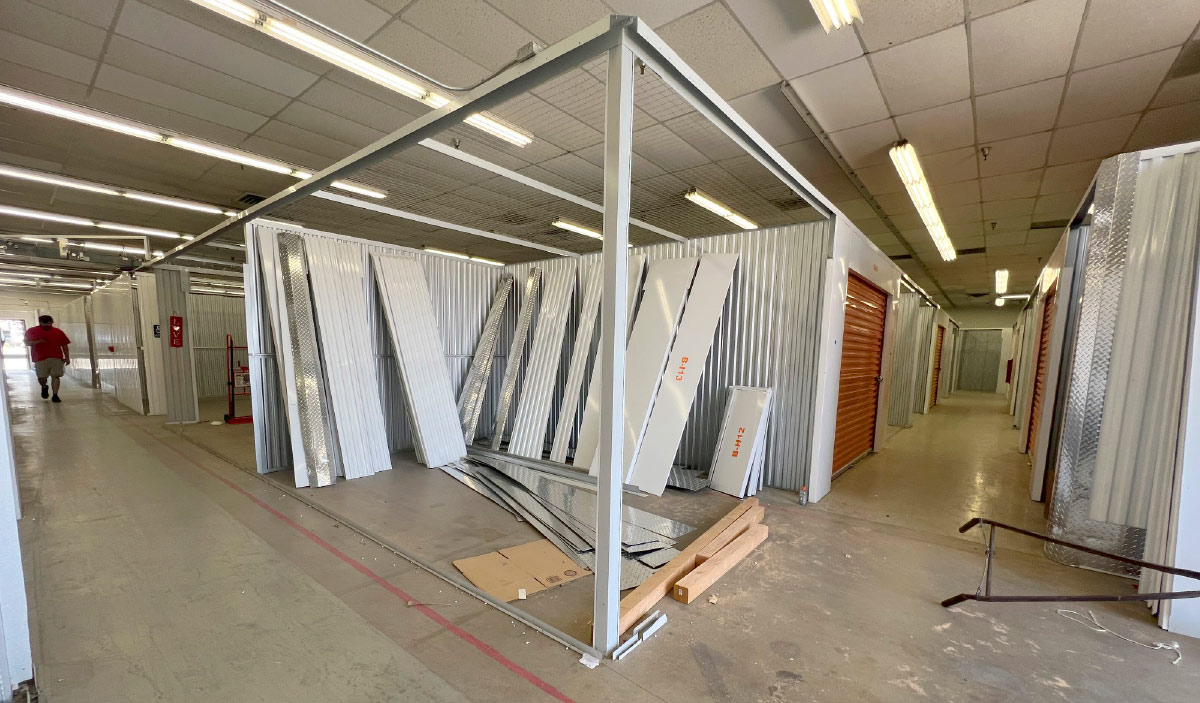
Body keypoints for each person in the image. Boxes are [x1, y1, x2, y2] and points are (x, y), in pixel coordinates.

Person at [24, 315, 70, 403]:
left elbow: (64, 345)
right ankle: (44, 386)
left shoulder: (58, 332)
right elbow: (26, 342)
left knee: (56, 376)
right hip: (39, 358)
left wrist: (67, 357)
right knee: (42, 377)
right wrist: (39, 341)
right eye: (46, 324)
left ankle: (55, 395)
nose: (49, 326)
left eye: (50, 324)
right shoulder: (32, 331)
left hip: (56, 357)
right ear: (40, 323)